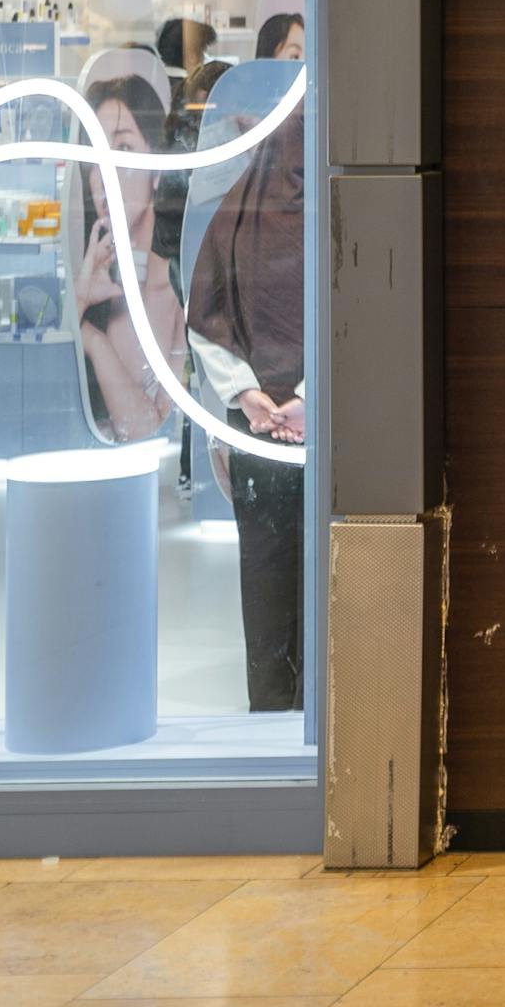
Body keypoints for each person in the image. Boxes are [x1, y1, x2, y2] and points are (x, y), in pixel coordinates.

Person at [185, 119, 308, 710]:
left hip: (258, 429)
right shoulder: (339, 209)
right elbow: (361, 301)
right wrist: (309, 400)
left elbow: (204, 311)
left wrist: (249, 396)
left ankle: (272, 711)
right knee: (318, 569)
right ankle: (318, 721)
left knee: (265, 567)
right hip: (321, 429)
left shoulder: (240, 207)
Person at [73, 72, 189, 445]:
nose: (105, 173)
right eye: (94, 155)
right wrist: (79, 300)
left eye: (122, 150)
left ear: (158, 167)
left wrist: (92, 340)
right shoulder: (85, 279)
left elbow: (150, 432)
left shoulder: (179, 293)